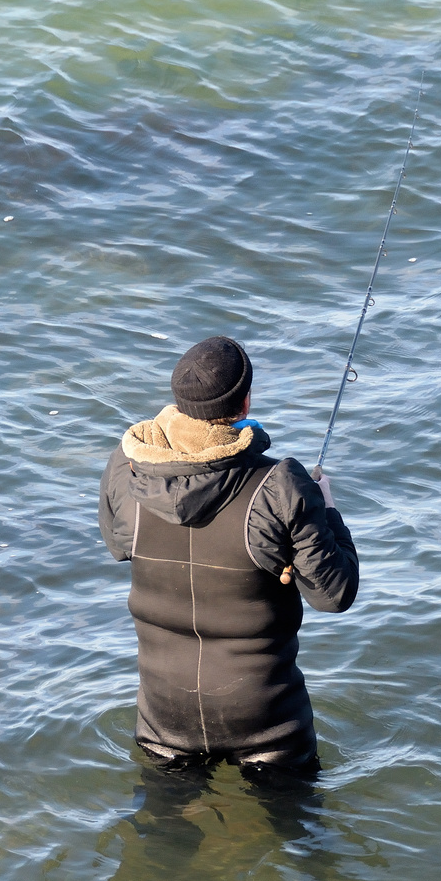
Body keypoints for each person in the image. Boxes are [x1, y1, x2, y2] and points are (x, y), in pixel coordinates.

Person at [98, 335, 360, 786]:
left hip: (165, 718)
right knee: (299, 844)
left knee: (161, 840)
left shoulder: (129, 466)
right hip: (268, 721)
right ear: (245, 402)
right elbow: (333, 594)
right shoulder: (280, 484)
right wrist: (328, 508)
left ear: (177, 402)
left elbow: (118, 545)